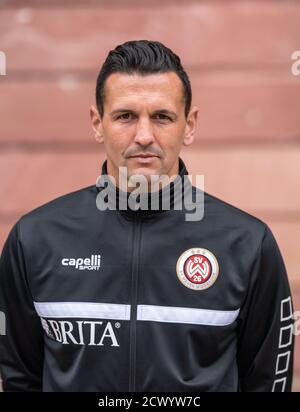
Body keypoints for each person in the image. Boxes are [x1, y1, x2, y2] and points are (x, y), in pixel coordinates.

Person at [0, 40, 295, 392]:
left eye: (162, 117)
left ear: (189, 124)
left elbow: (267, 382)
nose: (144, 136)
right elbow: (20, 379)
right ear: (97, 123)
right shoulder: (34, 239)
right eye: (125, 116)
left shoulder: (247, 243)